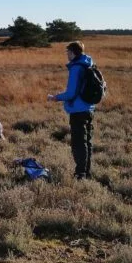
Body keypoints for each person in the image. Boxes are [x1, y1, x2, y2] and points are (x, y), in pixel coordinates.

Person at [47, 41, 95, 180]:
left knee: (78, 143)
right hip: (89, 108)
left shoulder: (76, 68)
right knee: (87, 142)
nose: (66, 55)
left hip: (78, 110)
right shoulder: (89, 63)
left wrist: (55, 97)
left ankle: (80, 174)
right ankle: (86, 172)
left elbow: (71, 93)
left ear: (73, 53)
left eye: (68, 52)